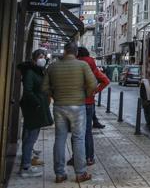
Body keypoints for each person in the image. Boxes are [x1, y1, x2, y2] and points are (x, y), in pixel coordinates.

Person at [43, 42, 97, 184]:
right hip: (78, 106)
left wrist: (55, 96)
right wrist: (85, 95)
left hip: (59, 106)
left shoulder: (53, 66)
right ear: (76, 53)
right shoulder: (82, 65)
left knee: (59, 138)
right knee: (79, 138)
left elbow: (44, 88)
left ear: (64, 51)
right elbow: (93, 84)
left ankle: (59, 174)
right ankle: (80, 173)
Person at [67, 47, 110, 166]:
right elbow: (106, 81)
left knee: (76, 132)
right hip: (88, 103)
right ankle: (89, 158)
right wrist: (94, 91)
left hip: (75, 102)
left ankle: (75, 157)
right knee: (87, 132)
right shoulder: (92, 66)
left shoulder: (74, 64)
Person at [17, 49, 53, 178]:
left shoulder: (36, 71)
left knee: (30, 136)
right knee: (30, 138)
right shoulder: (31, 72)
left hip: (35, 107)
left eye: (44, 56)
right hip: (33, 108)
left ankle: (26, 162)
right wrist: (38, 103)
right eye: (40, 56)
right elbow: (28, 91)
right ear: (34, 58)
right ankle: (26, 167)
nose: (42, 59)